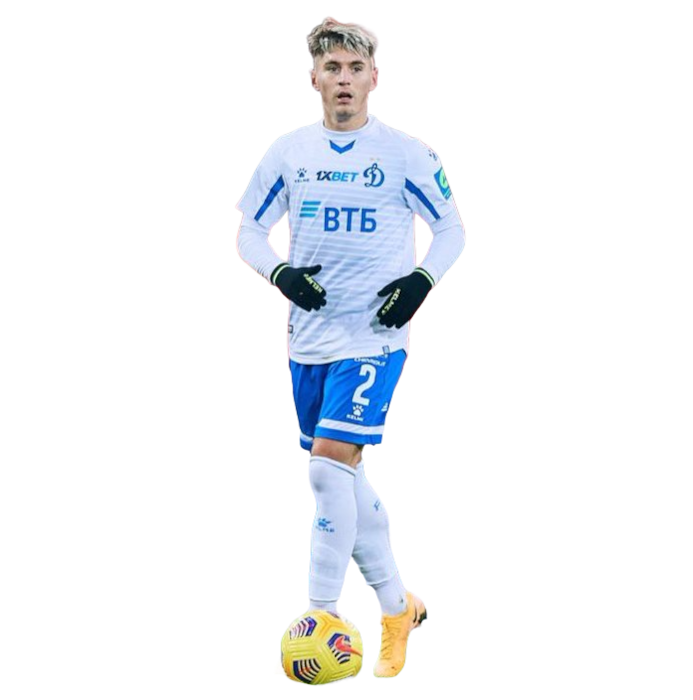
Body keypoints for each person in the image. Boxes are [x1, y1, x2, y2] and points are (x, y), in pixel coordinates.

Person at [235, 16, 466, 680]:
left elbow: (452, 231)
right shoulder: (288, 151)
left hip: (375, 337)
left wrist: (421, 281)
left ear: (374, 78)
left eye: (355, 69)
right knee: (343, 479)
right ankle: (398, 607)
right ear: (314, 79)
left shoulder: (406, 153)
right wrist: (279, 272)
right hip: (308, 342)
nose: (344, 80)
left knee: (326, 470)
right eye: (332, 69)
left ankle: (320, 621)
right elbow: (249, 233)